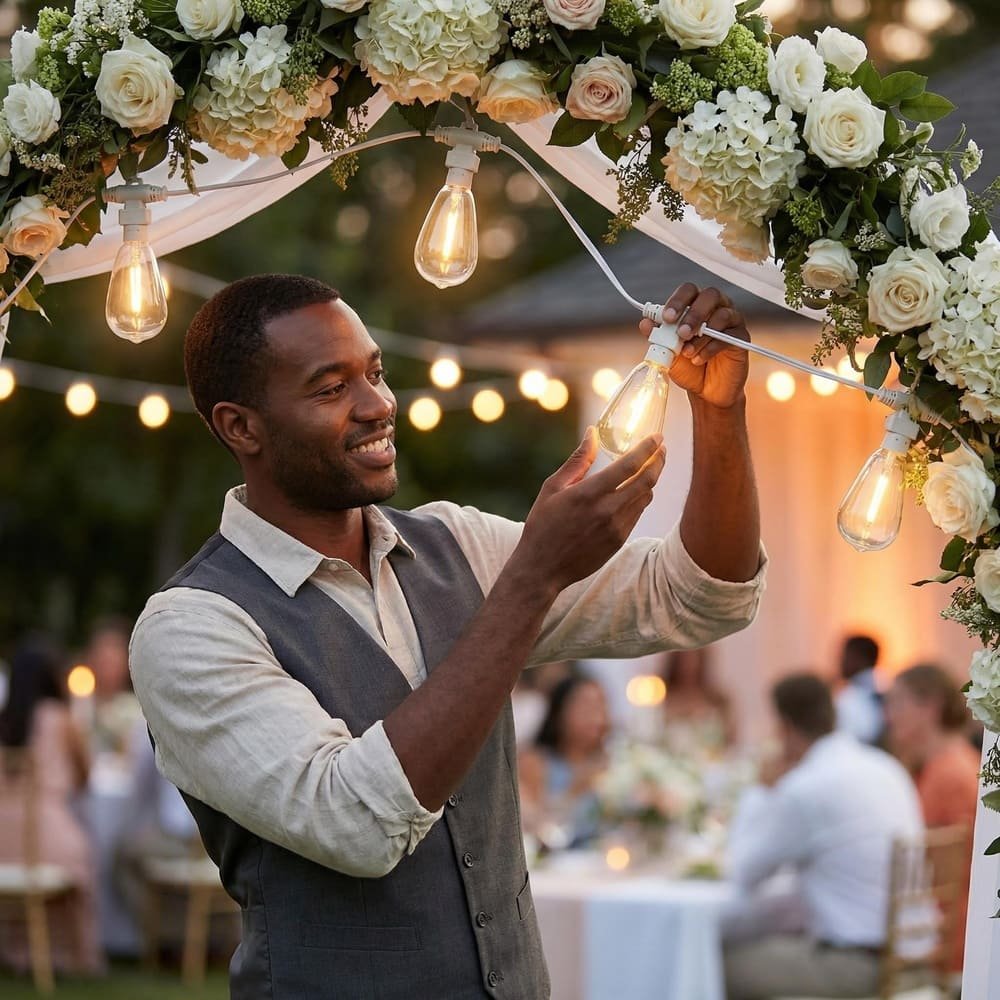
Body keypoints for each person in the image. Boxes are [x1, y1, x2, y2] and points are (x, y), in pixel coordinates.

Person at [129, 274, 765, 998]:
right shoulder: (191, 625)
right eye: (330, 387)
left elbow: (701, 596)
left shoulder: (457, 544)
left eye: (374, 371)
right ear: (241, 427)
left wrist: (719, 414)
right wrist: (529, 584)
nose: (377, 405)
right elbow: (356, 823)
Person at [724, 674, 925, 1000]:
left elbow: (743, 870)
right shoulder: (885, 766)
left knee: (707, 964)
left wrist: (761, 790)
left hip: (859, 966)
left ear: (784, 728)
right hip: (910, 957)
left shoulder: (807, 787)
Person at [0, 634, 104, 974]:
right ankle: (70, 957)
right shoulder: (60, 719)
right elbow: (84, 779)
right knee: (85, 856)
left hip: (2, 841)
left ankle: (16, 952)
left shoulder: (3, 722)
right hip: (46, 835)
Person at [885, 663, 979, 973]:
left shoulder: (949, 776)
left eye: (898, 703)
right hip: (947, 932)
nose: (889, 716)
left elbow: (929, 881)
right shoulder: (949, 764)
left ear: (931, 707)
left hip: (947, 942)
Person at [518, 674, 610, 848]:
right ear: (560, 712)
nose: (596, 717)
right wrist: (574, 791)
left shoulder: (612, 760)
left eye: (601, 706)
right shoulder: (535, 762)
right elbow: (530, 825)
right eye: (586, 707)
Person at [659, 646, 735, 756]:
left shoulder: (718, 699)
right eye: (684, 659)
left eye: (693, 658)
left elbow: (731, 739)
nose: (688, 664)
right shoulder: (662, 698)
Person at [835, 633, 884, 745]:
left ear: (859, 658)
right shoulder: (887, 688)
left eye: (844, 655)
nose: (840, 661)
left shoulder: (848, 698)